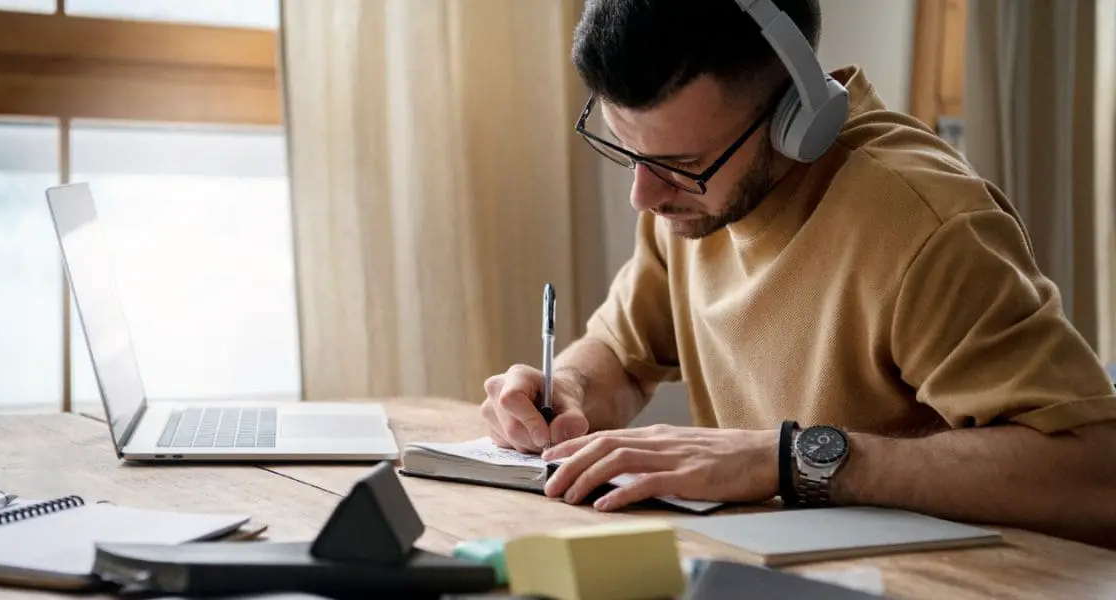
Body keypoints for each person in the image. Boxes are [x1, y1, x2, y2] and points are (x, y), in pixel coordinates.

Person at [478, 0, 1116, 549]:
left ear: (795, 121)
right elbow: (620, 353)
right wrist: (570, 394)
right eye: (627, 150)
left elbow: (1095, 474)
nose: (642, 197)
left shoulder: (928, 226)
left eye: (679, 162)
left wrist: (790, 460)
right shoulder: (689, 203)